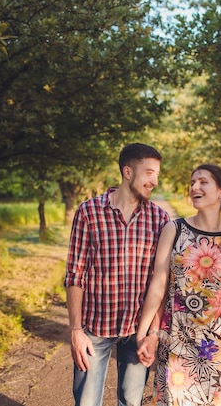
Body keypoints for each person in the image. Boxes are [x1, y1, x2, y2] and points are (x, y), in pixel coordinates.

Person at [64, 143, 171, 406]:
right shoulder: (89, 212)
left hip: (138, 329)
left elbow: (160, 281)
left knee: (131, 401)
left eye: (157, 174)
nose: (154, 181)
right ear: (127, 172)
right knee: (86, 402)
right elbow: (75, 273)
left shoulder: (159, 218)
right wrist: (76, 330)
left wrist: (153, 333)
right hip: (94, 328)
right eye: (149, 173)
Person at [136, 164, 221, 406]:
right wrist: (145, 333)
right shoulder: (174, 230)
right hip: (175, 341)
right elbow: (159, 285)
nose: (194, 187)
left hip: (216, 348)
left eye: (203, 182)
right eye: (192, 183)